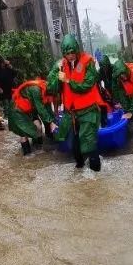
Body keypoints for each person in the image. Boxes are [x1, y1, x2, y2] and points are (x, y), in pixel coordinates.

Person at [49, 35, 105, 172]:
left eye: (72, 52)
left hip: (88, 111)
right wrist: (57, 77)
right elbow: (51, 87)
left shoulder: (88, 62)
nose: (70, 56)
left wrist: (68, 80)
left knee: (89, 144)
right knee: (74, 146)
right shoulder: (60, 65)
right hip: (71, 113)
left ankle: (97, 177)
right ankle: (80, 174)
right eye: (67, 54)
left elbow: (87, 85)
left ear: (77, 50)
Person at [8, 78, 57, 156]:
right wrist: (50, 122)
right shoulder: (36, 90)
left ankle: (39, 149)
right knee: (23, 133)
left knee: (38, 126)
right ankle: (27, 156)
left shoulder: (46, 91)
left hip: (29, 109)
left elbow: (48, 110)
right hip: (18, 110)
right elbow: (41, 109)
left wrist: (54, 121)